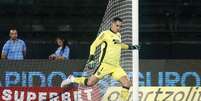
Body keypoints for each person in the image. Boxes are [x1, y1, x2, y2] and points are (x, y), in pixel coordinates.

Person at [61, 17, 139, 101]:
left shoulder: (118, 35)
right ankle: (72, 79)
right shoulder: (105, 34)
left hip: (116, 66)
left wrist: (131, 47)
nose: (119, 28)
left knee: (127, 83)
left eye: (120, 26)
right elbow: (93, 45)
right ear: (112, 24)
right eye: (117, 26)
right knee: (90, 83)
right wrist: (91, 59)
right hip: (105, 65)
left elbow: (120, 45)